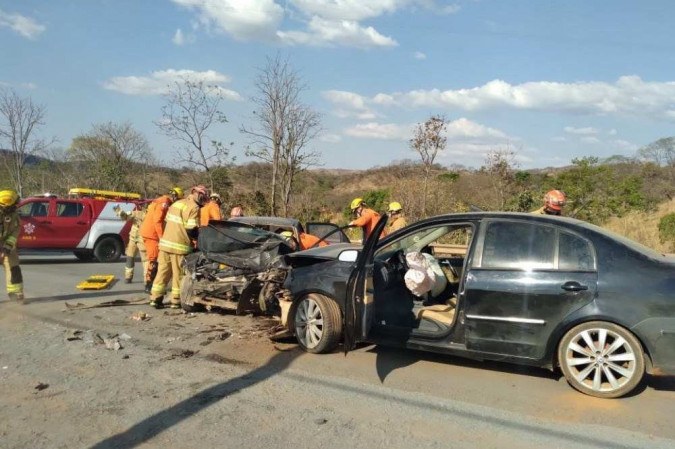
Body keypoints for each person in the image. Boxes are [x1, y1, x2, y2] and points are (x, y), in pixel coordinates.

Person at [149, 185, 208, 309]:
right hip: (179, 247)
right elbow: (191, 229)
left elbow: (166, 222)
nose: (203, 199)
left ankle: (155, 299)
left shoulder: (176, 204)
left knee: (162, 272)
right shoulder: (194, 207)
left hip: (165, 245)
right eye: (202, 196)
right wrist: (199, 239)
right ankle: (176, 301)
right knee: (178, 275)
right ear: (195, 193)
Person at [140, 187, 183, 293]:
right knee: (153, 260)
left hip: (149, 232)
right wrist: (162, 237)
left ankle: (152, 284)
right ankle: (149, 286)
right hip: (152, 235)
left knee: (155, 260)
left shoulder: (161, 200)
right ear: (174, 197)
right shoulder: (164, 203)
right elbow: (157, 221)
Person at [114, 202, 148, 283]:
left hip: (140, 239)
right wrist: (120, 212)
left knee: (145, 260)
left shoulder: (140, 214)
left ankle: (146, 280)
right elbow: (125, 216)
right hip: (135, 239)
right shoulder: (138, 213)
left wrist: (119, 212)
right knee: (131, 257)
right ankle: (129, 277)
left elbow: (125, 216)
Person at [0, 189, 23, 302]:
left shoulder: (14, 215)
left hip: (6, 243)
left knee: (14, 267)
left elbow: (16, 230)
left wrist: (7, 247)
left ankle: (15, 293)